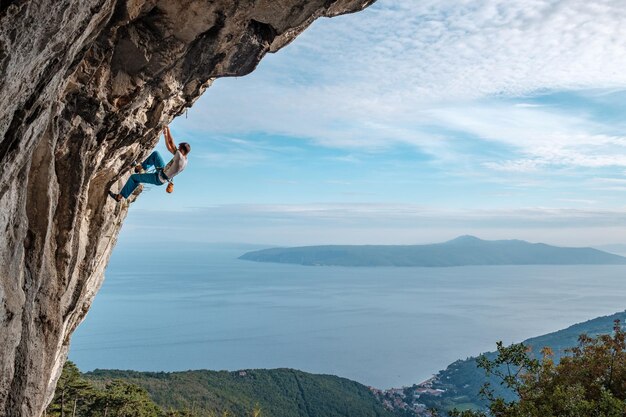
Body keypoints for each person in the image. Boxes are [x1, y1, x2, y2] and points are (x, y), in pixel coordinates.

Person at [109, 126, 190, 201]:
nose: (178, 149)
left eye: (179, 148)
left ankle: (119, 197)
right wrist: (165, 135)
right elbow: (169, 148)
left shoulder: (179, 157)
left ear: (182, 151)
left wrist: (168, 129)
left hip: (158, 178)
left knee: (134, 178)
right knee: (156, 154)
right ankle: (139, 168)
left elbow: (171, 143)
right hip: (162, 171)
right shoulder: (185, 160)